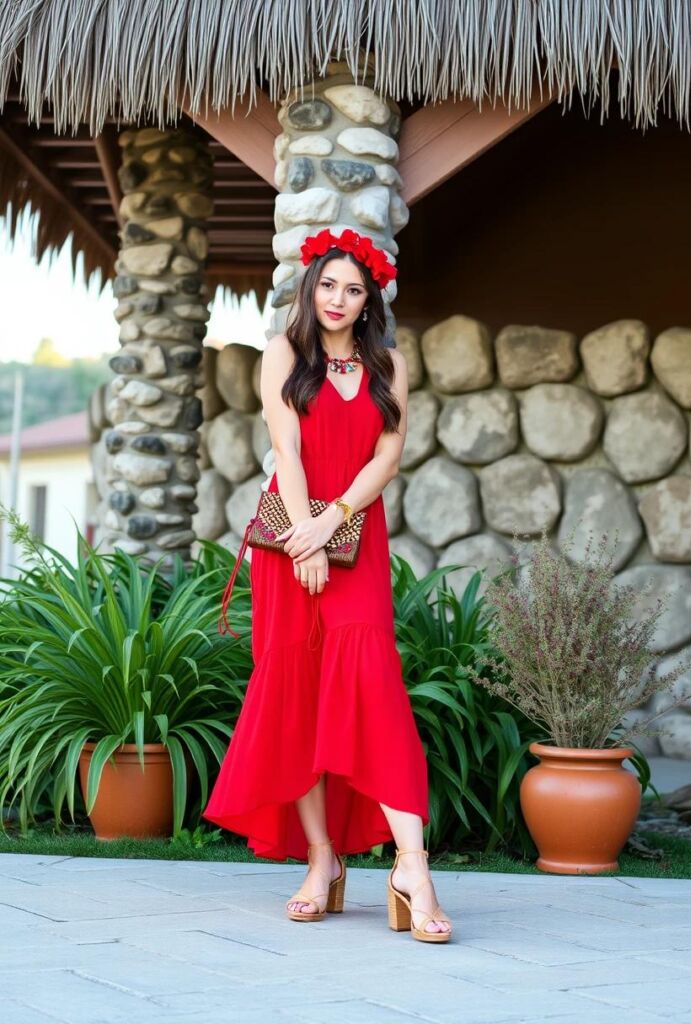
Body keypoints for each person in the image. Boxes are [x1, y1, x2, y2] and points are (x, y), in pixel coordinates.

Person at [203, 227, 452, 942]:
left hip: (352, 539)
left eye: (353, 289)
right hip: (289, 543)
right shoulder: (285, 353)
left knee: (374, 691)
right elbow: (285, 446)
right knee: (299, 694)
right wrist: (303, 535)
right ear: (309, 289)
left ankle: (411, 866)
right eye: (328, 285)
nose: (338, 299)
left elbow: (388, 453)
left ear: (369, 299)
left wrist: (333, 523)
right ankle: (321, 862)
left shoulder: (387, 365)